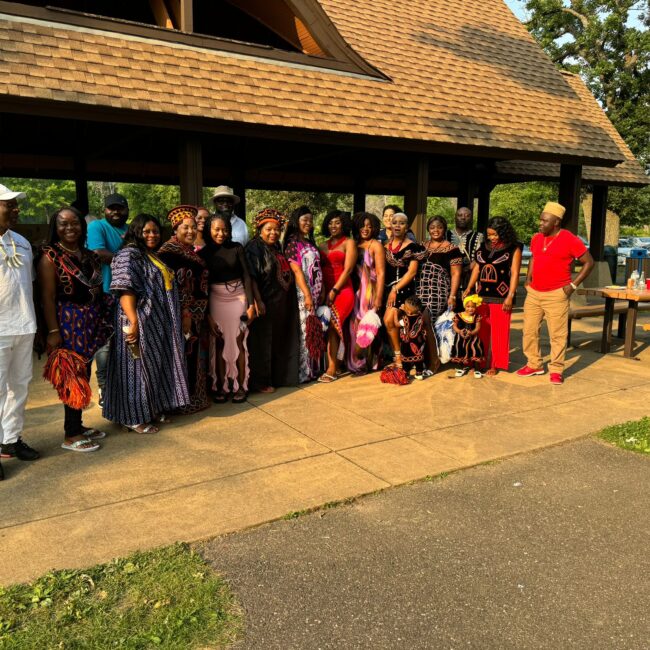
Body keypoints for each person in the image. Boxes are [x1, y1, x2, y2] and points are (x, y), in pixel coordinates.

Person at [103, 214, 189, 432]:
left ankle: (150, 410)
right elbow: (125, 290)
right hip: (137, 319)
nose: (152, 235)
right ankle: (132, 417)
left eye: (156, 231)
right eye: (147, 231)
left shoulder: (149, 254)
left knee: (151, 367)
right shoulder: (128, 254)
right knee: (134, 369)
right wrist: (134, 321)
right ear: (136, 232)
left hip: (154, 322)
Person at [37, 207, 110, 452]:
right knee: (72, 376)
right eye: (64, 224)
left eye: (75, 223)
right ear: (55, 228)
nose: (70, 228)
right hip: (67, 322)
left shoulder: (87, 254)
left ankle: (78, 425)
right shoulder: (50, 257)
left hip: (90, 321)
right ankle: (71, 434)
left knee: (84, 373)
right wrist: (53, 331)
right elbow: (47, 298)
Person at [517, 202, 594, 384]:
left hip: (556, 294)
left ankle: (556, 369)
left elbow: (589, 262)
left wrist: (573, 285)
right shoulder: (537, 238)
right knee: (529, 331)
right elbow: (534, 257)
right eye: (541, 220)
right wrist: (528, 278)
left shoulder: (569, 239)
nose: (540, 223)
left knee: (557, 335)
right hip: (534, 292)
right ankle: (534, 364)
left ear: (556, 222)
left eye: (545, 220)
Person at [0, 184, 39, 476]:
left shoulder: (22, 242)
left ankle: (10, 440)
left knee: (20, 386)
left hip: (24, 325)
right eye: (9, 205)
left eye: (15, 204)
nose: (16, 209)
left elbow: (29, 285)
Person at [158, 205, 210, 413]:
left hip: (197, 315)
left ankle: (193, 397)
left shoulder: (187, 251)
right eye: (185, 227)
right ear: (175, 229)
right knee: (184, 355)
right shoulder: (169, 253)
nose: (190, 231)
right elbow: (177, 287)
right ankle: (182, 402)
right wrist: (186, 313)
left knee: (194, 356)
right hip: (183, 316)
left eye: (193, 227)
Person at [200, 213, 255, 403]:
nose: (221, 233)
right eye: (217, 229)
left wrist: (251, 305)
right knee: (219, 341)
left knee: (239, 341)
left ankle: (241, 386)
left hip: (238, 296)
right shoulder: (203, 254)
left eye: (224, 230)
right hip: (216, 299)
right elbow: (203, 287)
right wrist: (207, 315)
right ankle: (221, 386)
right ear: (209, 230)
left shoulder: (237, 248)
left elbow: (247, 276)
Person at [245, 209, 300, 392]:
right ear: (260, 230)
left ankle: (277, 378)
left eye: (276, 229)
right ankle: (260, 382)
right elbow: (251, 276)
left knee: (276, 341)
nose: (273, 233)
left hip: (280, 303)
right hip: (265, 301)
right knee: (262, 342)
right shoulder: (254, 247)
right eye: (268, 229)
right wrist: (257, 300)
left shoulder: (276, 248)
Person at [464, 216, 522, 375]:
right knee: (481, 330)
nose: (491, 237)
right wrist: (469, 287)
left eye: (495, 234)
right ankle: (480, 361)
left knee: (500, 332)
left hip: (502, 297)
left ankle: (495, 364)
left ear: (503, 232)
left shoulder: (514, 248)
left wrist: (510, 296)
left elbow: (515, 273)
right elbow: (477, 269)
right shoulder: (483, 247)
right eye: (489, 234)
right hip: (481, 296)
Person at [86, 192, 129, 405]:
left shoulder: (130, 229)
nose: (115, 212)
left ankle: (121, 386)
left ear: (127, 210)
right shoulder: (97, 226)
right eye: (111, 208)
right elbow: (98, 253)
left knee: (126, 342)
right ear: (105, 210)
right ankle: (104, 388)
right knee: (105, 344)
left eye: (120, 208)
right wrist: (131, 259)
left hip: (128, 294)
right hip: (105, 292)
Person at [284, 206, 323, 383]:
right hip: (302, 294)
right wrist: (307, 295)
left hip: (315, 293)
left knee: (313, 330)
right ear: (296, 222)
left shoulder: (309, 243)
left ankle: (313, 369)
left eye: (310, 220)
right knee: (305, 331)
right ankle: (303, 372)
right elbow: (297, 271)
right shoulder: (292, 244)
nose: (308, 223)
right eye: (304, 220)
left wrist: (321, 291)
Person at [318, 210, 357, 383]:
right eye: (330, 223)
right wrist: (323, 291)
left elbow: (348, 270)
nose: (333, 226)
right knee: (327, 328)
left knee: (334, 326)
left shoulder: (349, 243)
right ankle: (338, 363)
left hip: (343, 291)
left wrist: (334, 291)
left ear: (344, 225)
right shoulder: (321, 245)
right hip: (325, 291)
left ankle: (332, 368)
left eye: (337, 223)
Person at [383, 212, 425, 369]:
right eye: (394, 222)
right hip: (387, 290)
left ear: (407, 227)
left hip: (404, 289)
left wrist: (395, 289)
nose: (397, 226)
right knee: (392, 324)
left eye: (401, 223)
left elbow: (412, 272)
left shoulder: (413, 247)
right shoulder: (385, 245)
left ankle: (400, 358)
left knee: (389, 320)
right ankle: (400, 356)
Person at [348, 211, 385, 373]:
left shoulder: (376, 245)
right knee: (353, 327)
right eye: (362, 226)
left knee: (369, 327)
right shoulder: (353, 244)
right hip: (354, 291)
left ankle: (372, 362)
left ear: (374, 228)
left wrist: (379, 297)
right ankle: (356, 363)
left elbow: (381, 273)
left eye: (369, 226)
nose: (365, 229)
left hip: (369, 292)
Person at [417, 215, 462, 321]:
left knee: (433, 322)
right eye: (432, 228)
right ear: (428, 229)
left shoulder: (452, 249)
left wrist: (452, 296)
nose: (436, 230)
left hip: (438, 293)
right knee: (419, 321)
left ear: (444, 229)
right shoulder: (421, 246)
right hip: (419, 291)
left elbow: (456, 274)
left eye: (439, 227)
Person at [446, 206, 483, 298]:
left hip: (469, 279)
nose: (463, 218)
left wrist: (467, 268)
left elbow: (480, 257)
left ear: (471, 219)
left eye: (467, 215)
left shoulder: (479, 236)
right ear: (455, 217)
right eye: (460, 215)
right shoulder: (445, 235)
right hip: (447, 279)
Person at [451, 294, 484, 378]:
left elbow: (478, 328)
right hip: (460, 338)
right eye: (468, 306)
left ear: (476, 307)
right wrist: (459, 331)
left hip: (473, 338)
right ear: (464, 306)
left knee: (475, 350)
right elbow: (454, 326)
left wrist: (472, 333)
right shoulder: (458, 315)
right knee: (459, 350)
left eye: (473, 307)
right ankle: (460, 368)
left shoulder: (477, 316)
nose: (470, 309)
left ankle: (477, 369)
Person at [396, 295, 427, 380]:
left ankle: (406, 373)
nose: (403, 307)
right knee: (418, 359)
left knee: (406, 360)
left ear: (409, 312)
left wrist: (396, 313)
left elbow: (396, 324)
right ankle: (419, 373)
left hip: (407, 343)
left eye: (405, 307)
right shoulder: (420, 317)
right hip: (418, 342)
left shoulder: (405, 319)